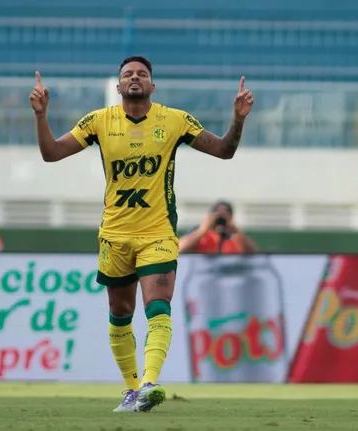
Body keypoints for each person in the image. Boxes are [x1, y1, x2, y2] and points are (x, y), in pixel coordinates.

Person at [29, 56, 253, 413]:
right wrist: (41, 116)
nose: (135, 78)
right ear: (118, 87)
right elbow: (51, 153)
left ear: (152, 86)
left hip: (158, 233)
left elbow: (224, 150)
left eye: (142, 74)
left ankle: (150, 382)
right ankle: (132, 389)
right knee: (120, 312)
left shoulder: (175, 120)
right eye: (127, 75)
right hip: (115, 234)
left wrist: (237, 120)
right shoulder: (99, 121)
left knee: (157, 306)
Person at [179, 200, 258, 254]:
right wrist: (203, 230)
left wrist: (234, 229)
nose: (221, 217)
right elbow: (179, 248)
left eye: (226, 213)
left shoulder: (236, 238)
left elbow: (254, 253)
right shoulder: (202, 237)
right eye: (217, 212)